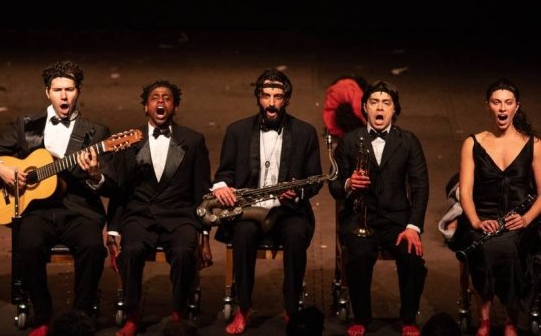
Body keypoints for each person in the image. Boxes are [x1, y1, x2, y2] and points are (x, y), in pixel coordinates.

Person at [0, 60, 110, 336]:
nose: (64, 96)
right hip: (37, 211)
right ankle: (43, 315)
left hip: (79, 211)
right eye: (57, 90)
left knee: (93, 248)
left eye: (69, 89)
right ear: (47, 93)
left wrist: (95, 175)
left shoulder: (96, 132)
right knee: (27, 246)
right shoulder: (27, 125)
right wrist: (0, 168)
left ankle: (80, 315)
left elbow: (111, 183)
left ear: (78, 91)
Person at [211, 69, 323, 335]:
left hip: (289, 210)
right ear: (258, 98)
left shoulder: (305, 132)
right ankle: (243, 308)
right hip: (250, 210)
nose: (271, 103)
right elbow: (224, 173)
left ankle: (291, 309)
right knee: (243, 235)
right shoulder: (237, 131)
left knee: (296, 235)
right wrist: (221, 187)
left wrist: (297, 192)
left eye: (278, 97)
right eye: (266, 96)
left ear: (286, 100)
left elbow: (315, 179)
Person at [105, 80, 212, 336]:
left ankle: (179, 314)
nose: (161, 101)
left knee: (184, 253)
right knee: (131, 252)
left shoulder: (193, 141)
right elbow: (119, 190)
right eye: (154, 97)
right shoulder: (129, 141)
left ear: (175, 107)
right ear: (146, 107)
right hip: (140, 216)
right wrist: (113, 232)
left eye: (167, 97)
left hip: (179, 216)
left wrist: (205, 236)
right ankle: (132, 315)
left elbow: (202, 192)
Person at [328, 80, 429, 336]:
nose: (380, 108)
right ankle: (361, 318)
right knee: (359, 255)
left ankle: (408, 319)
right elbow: (334, 185)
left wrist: (413, 227)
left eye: (386, 103)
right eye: (374, 102)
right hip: (360, 218)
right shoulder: (349, 141)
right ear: (365, 107)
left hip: (398, 222)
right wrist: (349, 183)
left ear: (395, 109)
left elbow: (420, 186)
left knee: (412, 257)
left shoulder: (408, 141)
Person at [451, 78, 541, 336]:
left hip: (520, 220)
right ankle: (484, 320)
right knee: (484, 246)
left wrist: (526, 219)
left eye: (508, 103)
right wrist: (476, 221)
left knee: (510, 249)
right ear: (488, 106)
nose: (502, 108)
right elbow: (465, 192)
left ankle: (511, 321)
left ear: (516, 107)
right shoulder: (472, 143)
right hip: (483, 218)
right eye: (496, 102)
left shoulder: (534, 144)